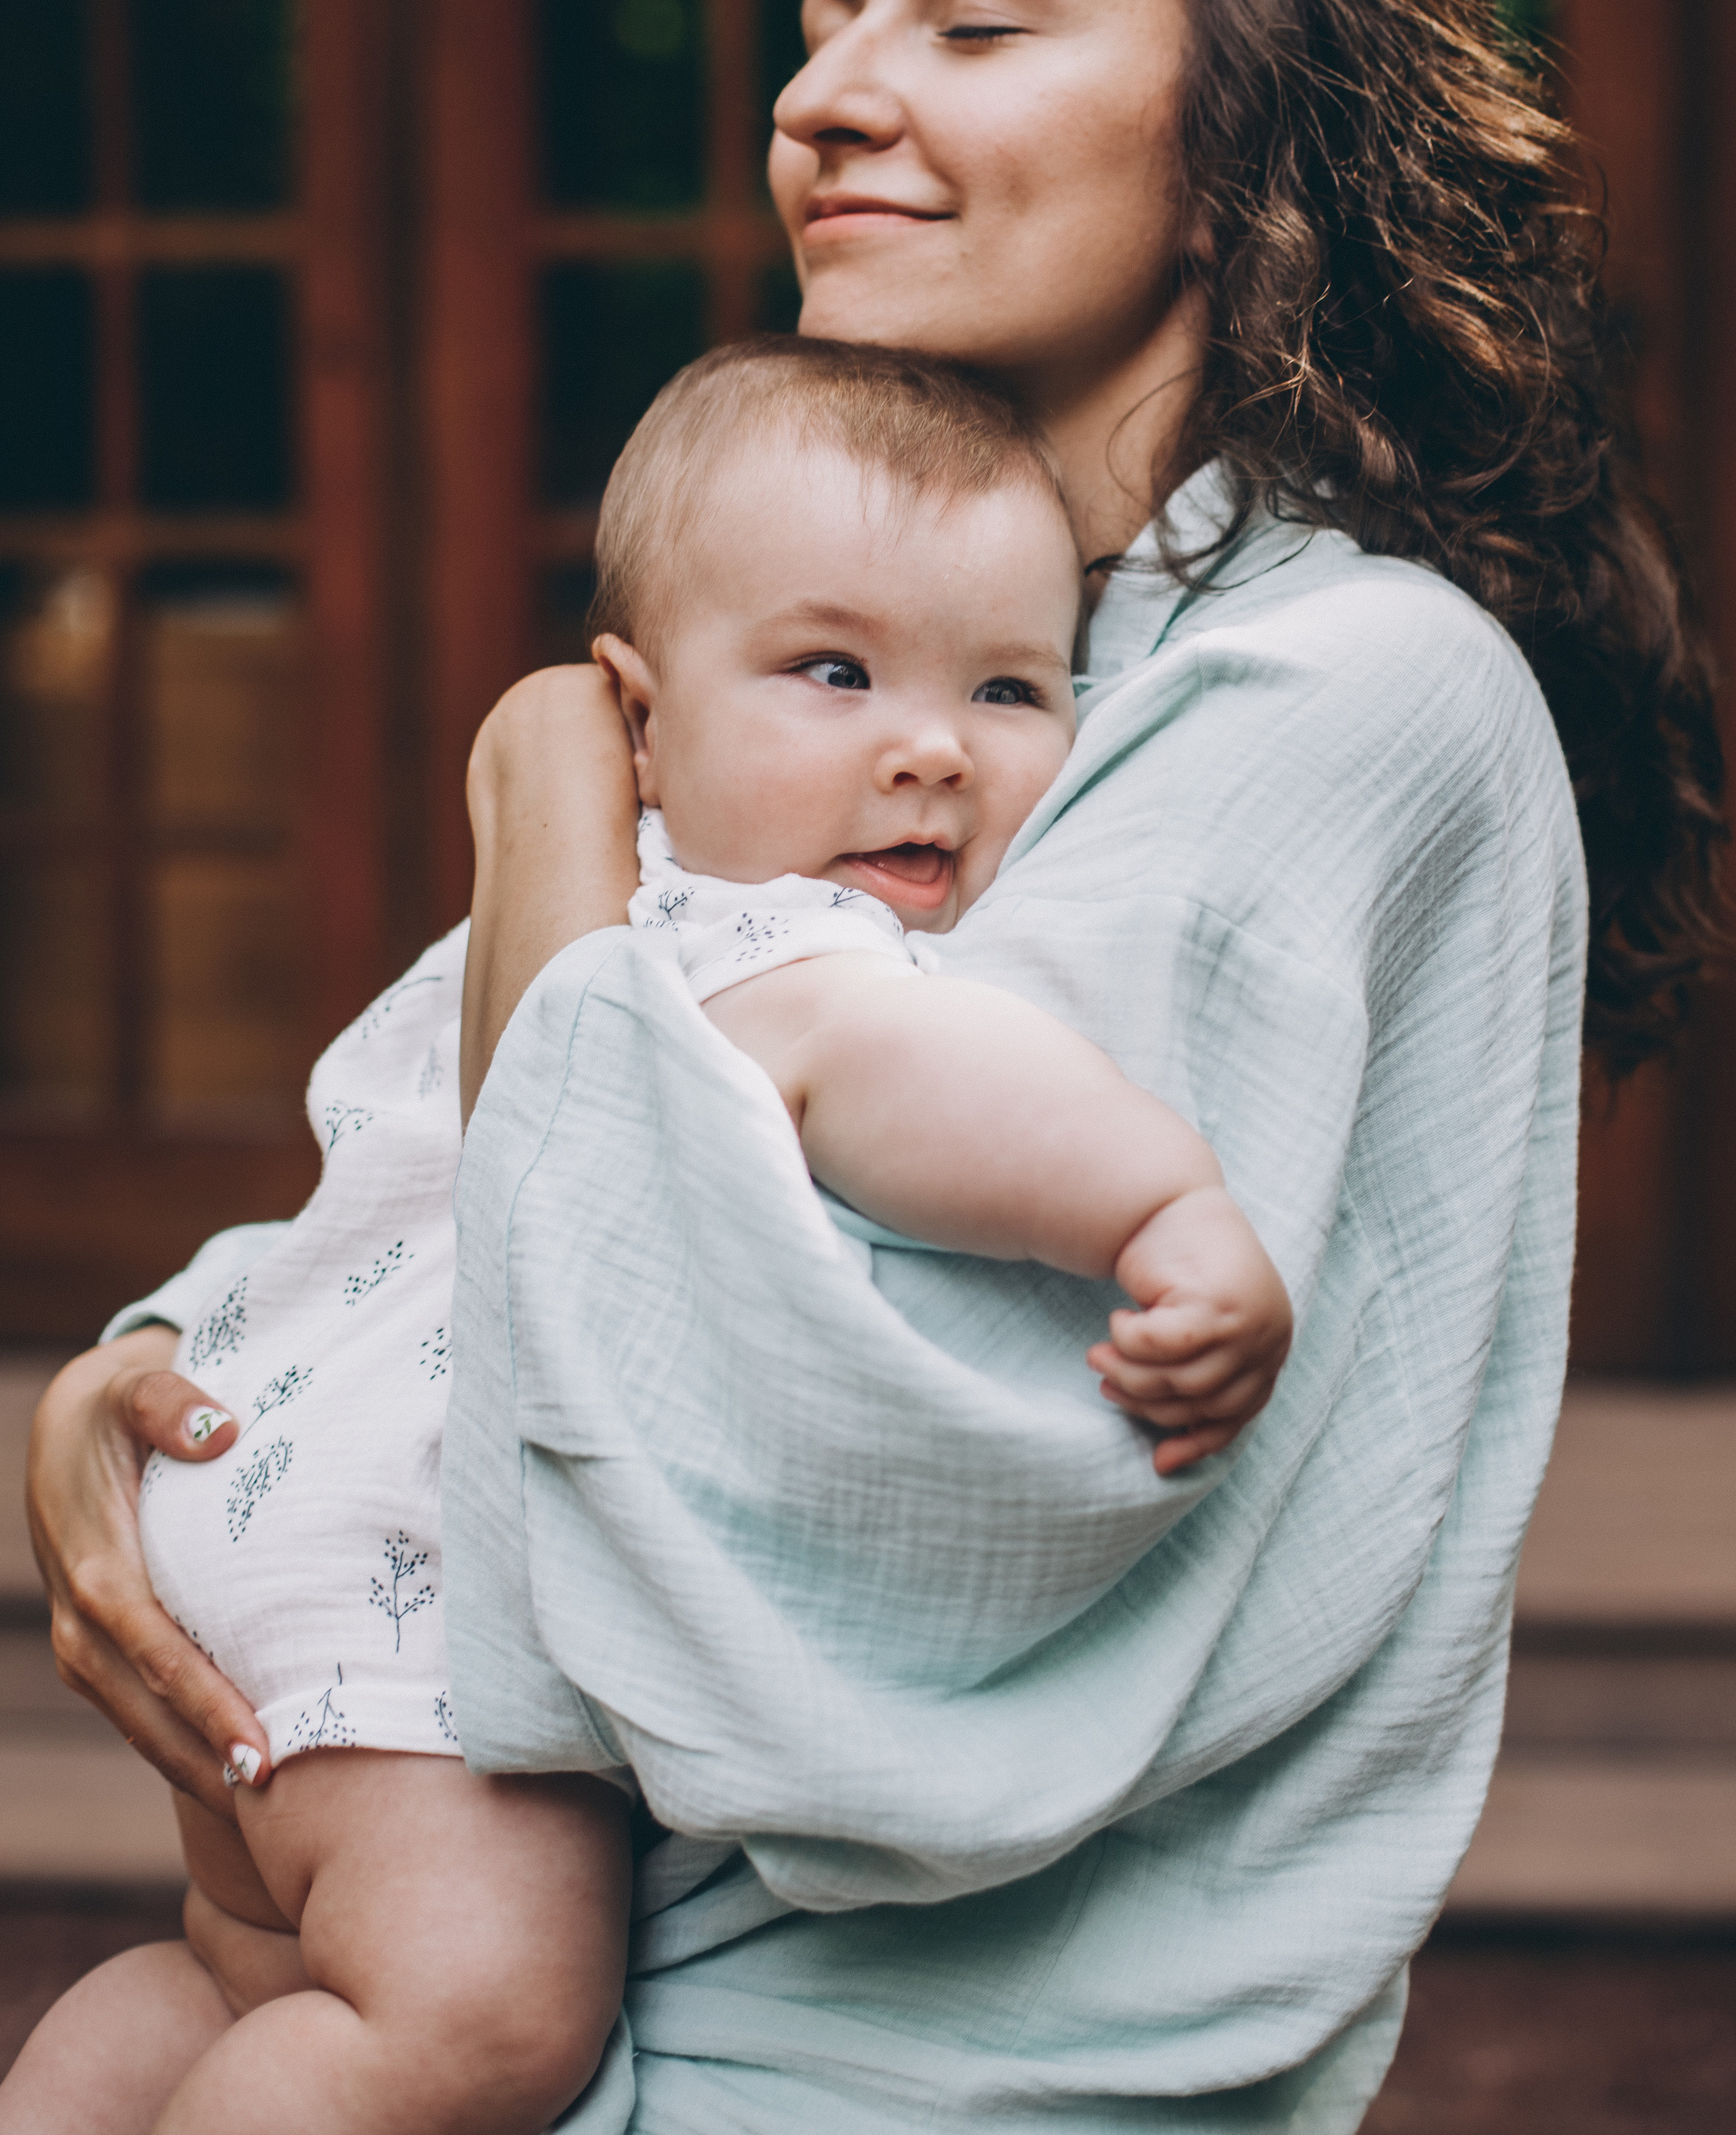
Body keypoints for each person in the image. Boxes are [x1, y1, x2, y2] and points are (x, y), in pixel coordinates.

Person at [28, 0, 1724, 2132]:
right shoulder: (956, 677)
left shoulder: (1337, 685)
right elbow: (451, 1206)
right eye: (823, 15)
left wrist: (539, 808)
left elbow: (848, 1464)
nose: (822, 91)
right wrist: (172, 1384)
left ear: (1245, 141)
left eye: (975, 15)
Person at [2, 341, 1290, 2135]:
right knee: (475, 2026)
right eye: (833, 672)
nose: (928, 746)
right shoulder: (746, 950)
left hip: (256, 1531)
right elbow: (930, 1081)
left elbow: (334, 1189)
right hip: (426, 1617)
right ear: (640, 719)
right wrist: (1176, 1212)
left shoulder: (510, 930)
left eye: (1010, 687)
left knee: (238, 1973)